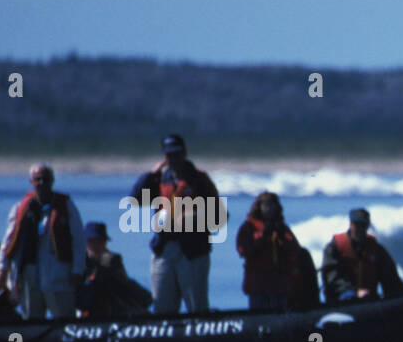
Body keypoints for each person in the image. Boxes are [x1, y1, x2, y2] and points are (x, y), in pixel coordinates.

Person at [129, 134, 224, 314]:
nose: (174, 160)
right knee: (163, 308)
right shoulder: (159, 180)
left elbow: (219, 216)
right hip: (165, 250)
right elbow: (135, 199)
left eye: (177, 154)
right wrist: (152, 174)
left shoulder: (199, 180)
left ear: (184, 153)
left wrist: (193, 219)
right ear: (165, 157)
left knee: (196, 306)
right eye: (170, 155)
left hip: (193, 252)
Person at [1, 163, 86, 320]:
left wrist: (78, 269)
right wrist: (3, 267)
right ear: (31, 182)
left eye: (45, 179)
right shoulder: (20, 208)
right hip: (30, 275)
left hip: (59, 274)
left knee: (64, 318)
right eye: (37, 179)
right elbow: (8, 241)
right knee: (32, 320)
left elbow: (79, 240)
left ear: (52, 181)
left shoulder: (66, 206)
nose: (41, 183)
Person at [321, 208, 403, 305]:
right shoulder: (334, 248)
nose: (360, 229)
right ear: (351, 224)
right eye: (357, 225)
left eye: (363, 225)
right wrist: (351, 292)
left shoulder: (376, 249)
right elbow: (331, 277)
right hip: (340, 302)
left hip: (370, 301)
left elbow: (391, 279)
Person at [235, 191, 303, 310]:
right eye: (266, 205)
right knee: (258, 316)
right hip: (257, 284)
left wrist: (282, 236)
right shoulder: (248, 228)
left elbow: (295, 250)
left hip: (278, 284)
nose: (269, 209)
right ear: (259, 207)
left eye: (272, 205)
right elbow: (243, 251)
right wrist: (262, 236)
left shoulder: (282, 228)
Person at [76, 222, 152, 319]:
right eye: (91, 242)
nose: (95, 246)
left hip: (115, 310)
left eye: (99, 241)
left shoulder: (112, 260)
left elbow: (123, 285)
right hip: (86, 312)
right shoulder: (79, 264)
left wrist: (106, 269)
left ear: (105, 243)